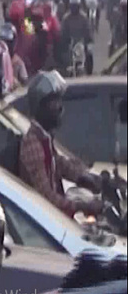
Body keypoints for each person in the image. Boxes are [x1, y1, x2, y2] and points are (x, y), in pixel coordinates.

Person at [18, 71, 102, 218]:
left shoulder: (44, 137)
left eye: (59, 101)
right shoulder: (33, 143)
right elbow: (45, 196)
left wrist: (84, 177)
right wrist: (80, 206)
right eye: (53, 103)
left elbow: (59, 164)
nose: (59, 108)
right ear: (40, 107)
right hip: (44, 222)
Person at [59, 0, 92, 73]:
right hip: (70, 45)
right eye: (73, 6)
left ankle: (89, 73)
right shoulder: (66, 18)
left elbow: (88, 31)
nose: (74, 8)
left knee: (90, 55)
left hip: (81, 44)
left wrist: (88, 41)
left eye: (76, 6)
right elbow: (63, 33)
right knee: (64, 59)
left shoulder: (83, 17)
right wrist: (65, 41)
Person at [0, 23, 28, 87]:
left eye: (9, 42)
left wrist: (15, 82)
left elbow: (25, 82)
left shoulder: (18, 61)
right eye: (4, 40)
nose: (6, 44)